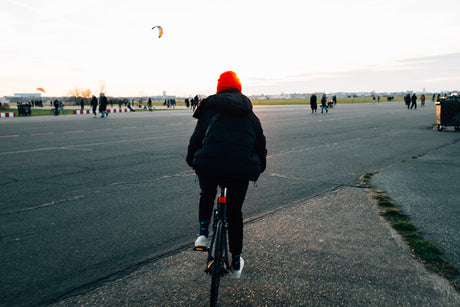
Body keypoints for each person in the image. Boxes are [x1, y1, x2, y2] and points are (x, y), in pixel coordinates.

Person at [186, 71, 267, 279]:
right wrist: (260, 167)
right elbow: (260, 145)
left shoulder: (208, 109)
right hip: (240, 170)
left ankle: (203, 234)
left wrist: (192, 160)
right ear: (239, 88)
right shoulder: (249, 113)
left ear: (219, 88)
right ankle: (236, 260)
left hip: (209, 166)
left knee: (207, 194)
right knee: (234, 213)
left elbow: (196, 139)